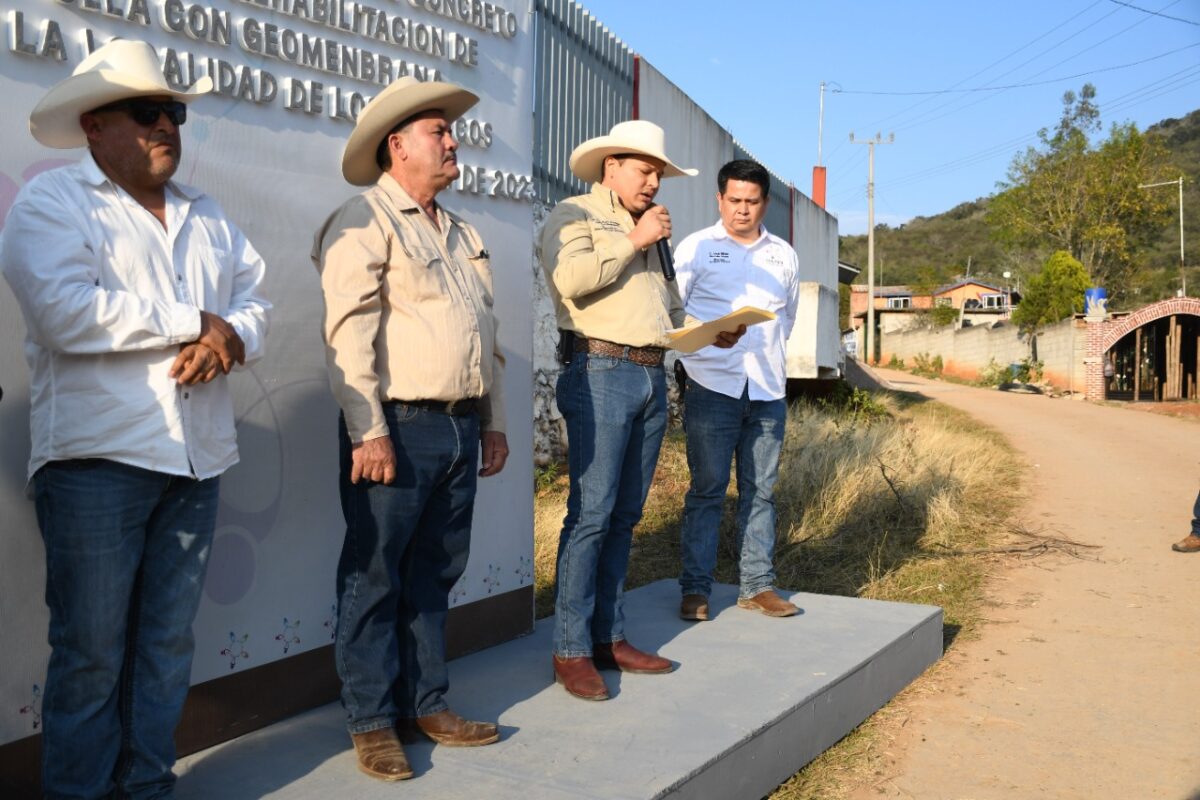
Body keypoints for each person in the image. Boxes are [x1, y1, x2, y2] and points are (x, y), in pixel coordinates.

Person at [0, 39, 270, 798]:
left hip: (196, 464)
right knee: (89, 654)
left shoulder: (205, 212)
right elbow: (63, 312)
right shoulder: (53, 201)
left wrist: (233, 334)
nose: (166, 127)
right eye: (146, 112)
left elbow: (260, 305)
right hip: (96, 466)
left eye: (174, 112)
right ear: (93, 125)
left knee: (164, 646)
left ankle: (148, 786)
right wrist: (198, 322)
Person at [313, 76, 508, 781]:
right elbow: (348, 335)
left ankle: (427, 703)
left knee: (434, 575)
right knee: (374, 577)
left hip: (458, 429)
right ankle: (372, 723)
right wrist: (367, 431)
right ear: (397, 146)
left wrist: (494, 422)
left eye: (451, 133)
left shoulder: (463, 232)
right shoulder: (363, 220)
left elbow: (489, 338)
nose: (453, 142)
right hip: (394, 427)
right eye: (438, 132)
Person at [539, 120, 742, 701]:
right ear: (611, 167)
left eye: (659, 173)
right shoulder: (573, 215)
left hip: (651, 375)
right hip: (599, 371)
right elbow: (572, 280)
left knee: (625, 516)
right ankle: (571, 648)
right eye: (644, 169)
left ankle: (609, 636)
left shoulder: (651, 232)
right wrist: (634, 238)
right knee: (592, 515)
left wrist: (708, 335)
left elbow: (667, 314)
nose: (654, 182)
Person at [674, 159, 801, 622]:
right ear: (718, 199)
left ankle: (758, 586)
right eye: (734, 201)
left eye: (751, 202)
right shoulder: (696, 248)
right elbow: (675, 313)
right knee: (708, 490)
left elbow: (787, 320)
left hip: (767, 389)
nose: (742, 210)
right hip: (711, 386)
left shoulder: (783, 255)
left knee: (761, 491)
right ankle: (695, 590)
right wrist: (708, 340)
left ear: (764, 203)